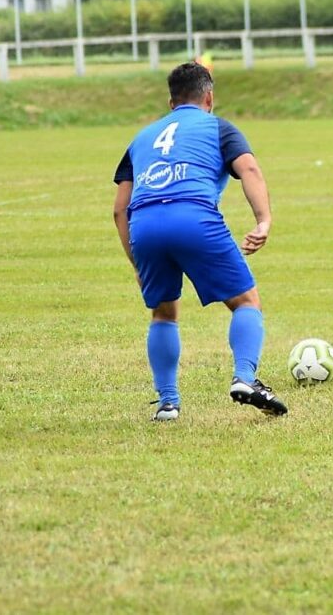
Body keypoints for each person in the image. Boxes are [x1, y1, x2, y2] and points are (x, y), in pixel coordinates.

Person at [113, 62, 288, 420]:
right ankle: (245, 378)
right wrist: (263, 221)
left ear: (170, 101)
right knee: (245, 302)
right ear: (209, 96)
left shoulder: (142, 137)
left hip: (144, 224)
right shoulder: (218, 127)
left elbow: (119, 210)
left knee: (163, 311)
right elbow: (249, 170)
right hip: (193, 218)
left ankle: (168, 402)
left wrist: (137, 263)